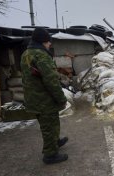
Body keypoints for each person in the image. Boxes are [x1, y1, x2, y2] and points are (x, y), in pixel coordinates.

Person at [20, 28, 69, 164]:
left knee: (51, 123)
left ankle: (55, 142)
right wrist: (61, 98)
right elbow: (50, 80)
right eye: (48, 42)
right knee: (49, 126)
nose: (49, 45)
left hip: (34, 97)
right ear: (42, 42)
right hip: (44, 99)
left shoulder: (26, 54)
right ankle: (50, 155)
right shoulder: (40, 55)